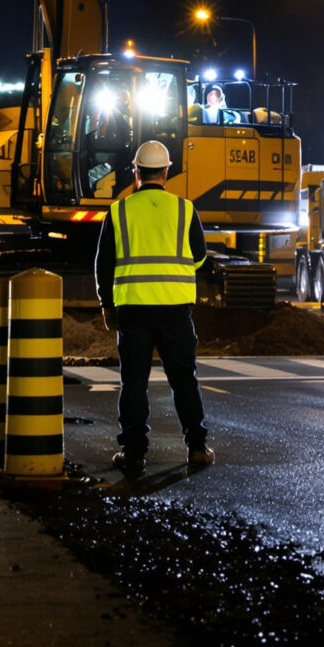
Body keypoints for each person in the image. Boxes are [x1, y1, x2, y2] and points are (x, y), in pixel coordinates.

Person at [94, 139, 213, 475]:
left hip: (132, 309)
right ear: (166, 172)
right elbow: (200, 257)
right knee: (184, 380)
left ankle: (133, 454)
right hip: (175, 308)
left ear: (136, 173)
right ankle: (197, 448)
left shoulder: (118, 211)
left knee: (134, 382)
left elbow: (103, 264)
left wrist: (107, 305)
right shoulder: (185, 209)